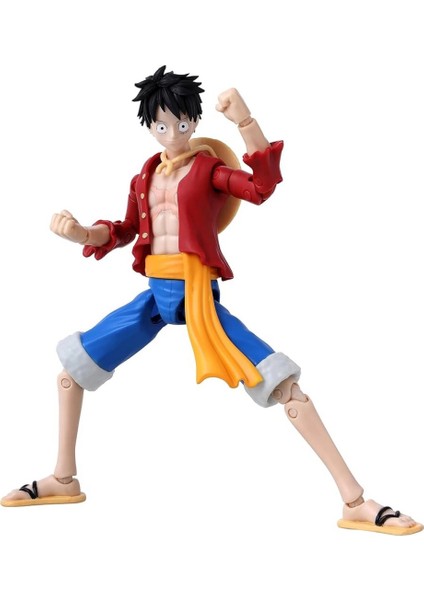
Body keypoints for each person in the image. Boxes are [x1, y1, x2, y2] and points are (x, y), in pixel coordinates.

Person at [2, 66, 421, 535]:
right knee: (72, 371)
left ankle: (354, 500)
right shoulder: (143, 177)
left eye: (181, 123)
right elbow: (123, 230)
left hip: (197, 294)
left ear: (194, 122)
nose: (172, 133)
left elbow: (260, 188)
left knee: (283, 385)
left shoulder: (209, 170)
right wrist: (82, 233)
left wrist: (246, 122)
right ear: (150, 125)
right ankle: (63, 478)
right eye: (162, 125)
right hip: (155, 296)